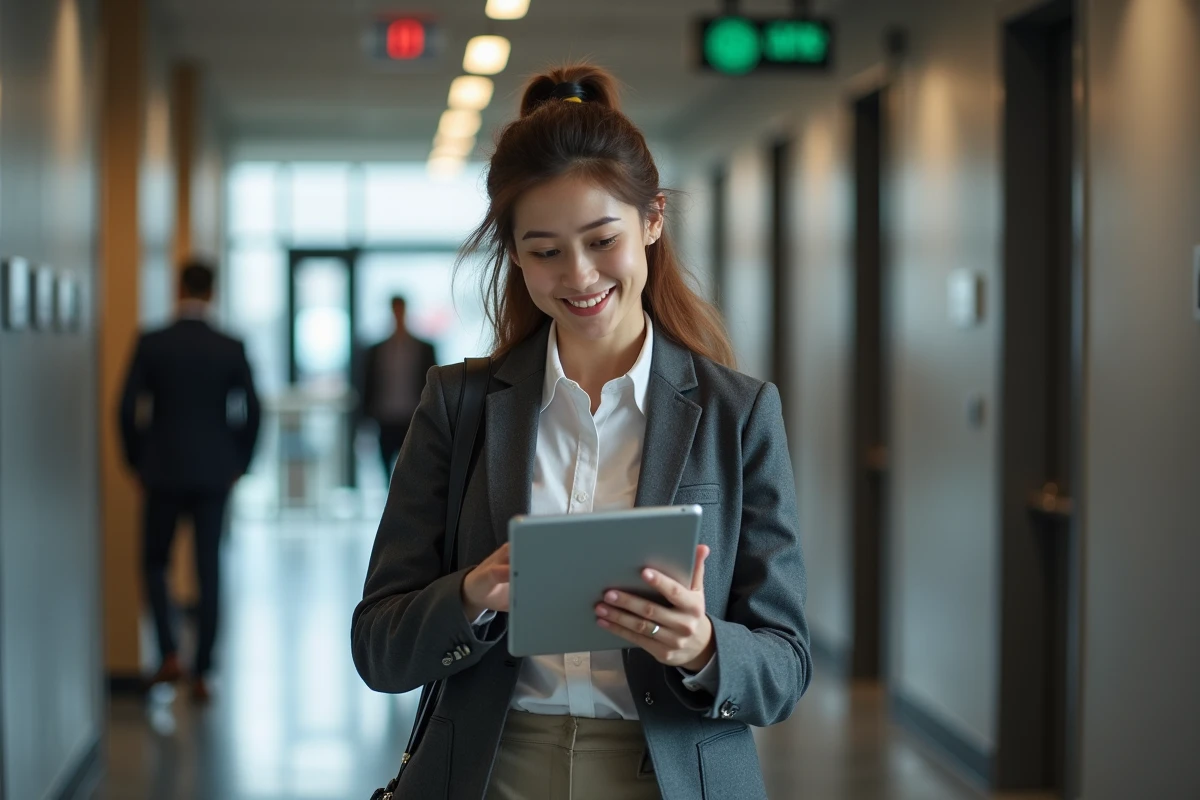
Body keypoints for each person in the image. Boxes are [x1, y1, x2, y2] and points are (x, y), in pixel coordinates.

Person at [352, 64, 811, 800]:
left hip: (669, 777)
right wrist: (471, 595)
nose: (579, 276)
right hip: (492, 774)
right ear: (514, 253)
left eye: (602, 240)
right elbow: (378, 645)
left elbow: (786, 665)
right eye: (545, 251)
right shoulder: (458, 405)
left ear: (652, 220)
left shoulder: (739, 413)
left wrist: (704, 648)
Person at [119, 260, 261, 702]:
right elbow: (253, 409)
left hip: (161, 470)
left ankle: (168, 653)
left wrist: (137, 461)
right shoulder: (229, 345)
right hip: (214, 472)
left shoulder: (153, 342)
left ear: (179, 288)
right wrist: (240, 462)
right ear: (212, 292)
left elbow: (125, 407)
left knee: (155, 563)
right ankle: (203, 673)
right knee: (208, 569)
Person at [357, 296, 438, 476]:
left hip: (413, 416)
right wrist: (364, 419)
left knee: (413, 469)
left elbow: (432, 384)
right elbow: (368, 383)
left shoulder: (423, 348)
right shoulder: (377, 349)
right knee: (386, 468)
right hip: (385, 416)